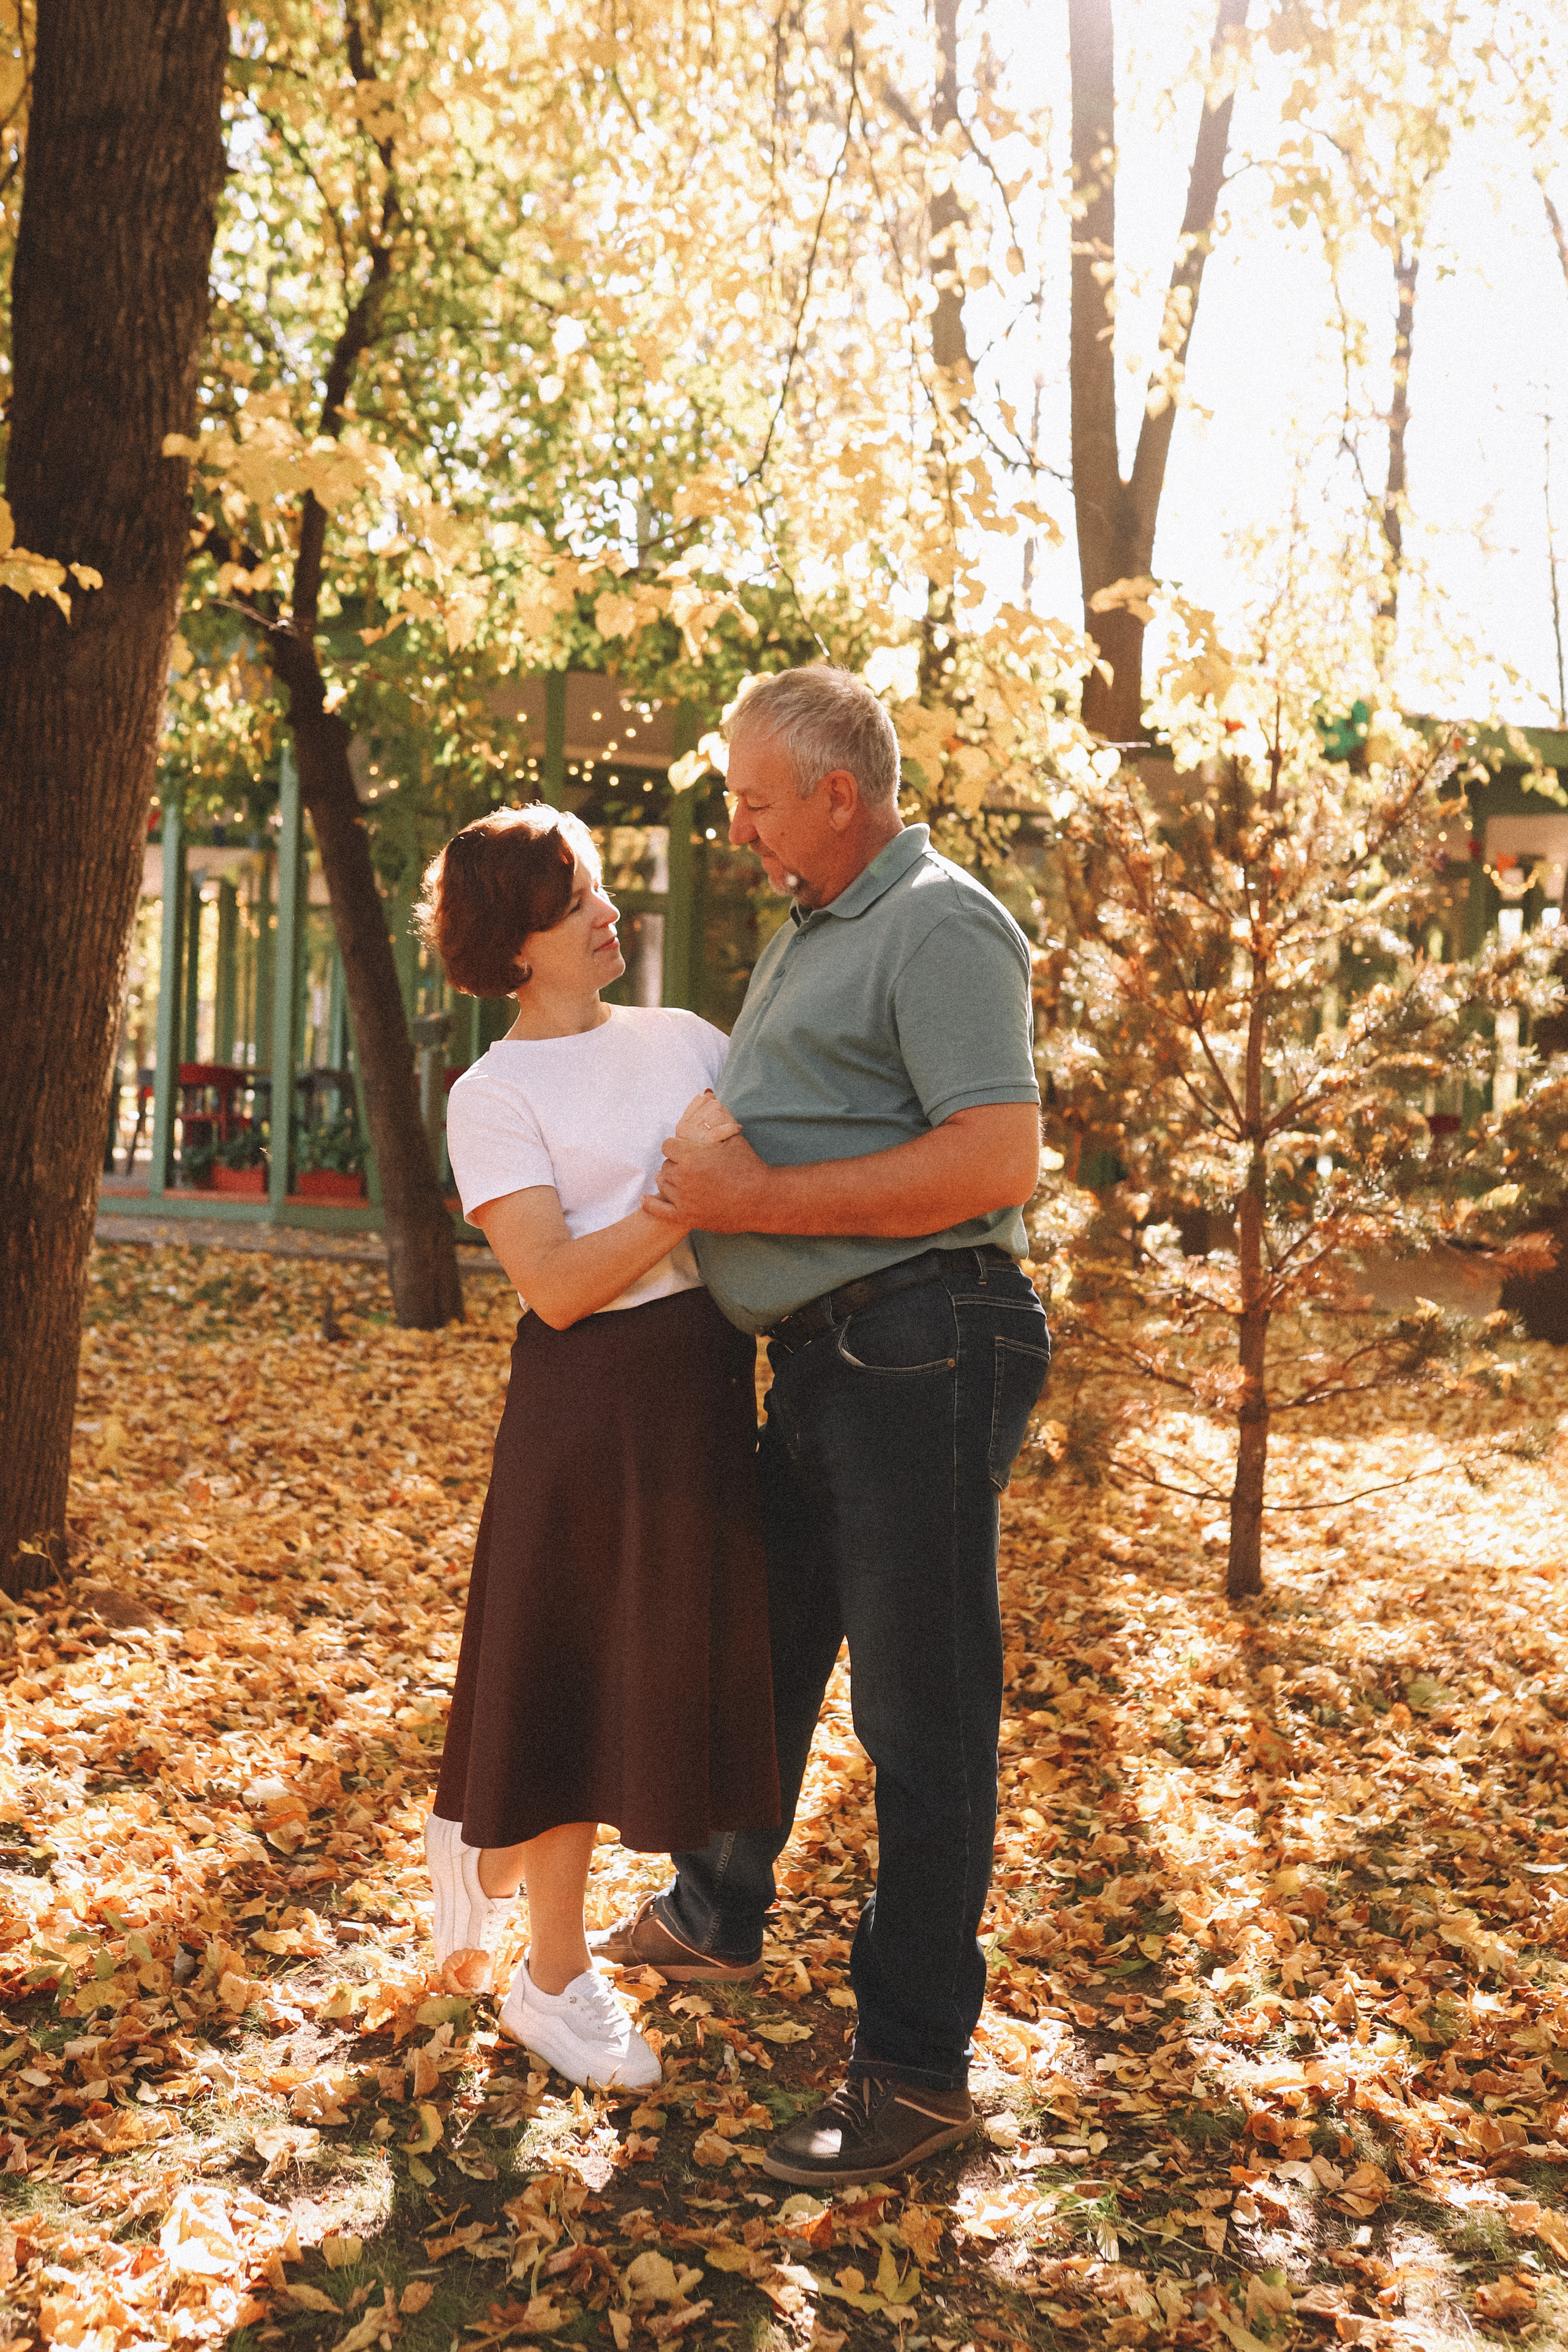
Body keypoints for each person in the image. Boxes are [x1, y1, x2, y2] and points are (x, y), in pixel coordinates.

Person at [590, 665, 1049, 2184]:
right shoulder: (813, 931)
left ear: (837, 795)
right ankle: (718, 1909)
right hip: (828, 1356)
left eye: (754, 797)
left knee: (919, 1721)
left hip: (920, 1343)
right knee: (761, 1651)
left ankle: (914, 2073)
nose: (738, 824)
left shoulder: (937, 922)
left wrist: (754, 1206)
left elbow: (996, 1155)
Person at [417, 804, 779, 2092]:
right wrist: (676, 1196)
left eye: (600, 890)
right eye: (575, 899)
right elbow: (557, 1284)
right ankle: (554, 1981)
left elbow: (772, 1161)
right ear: (516, 942)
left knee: (662, 1670)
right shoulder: (492, 1093)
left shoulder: (683, 1038)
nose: (606, 912)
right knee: (570, 1684)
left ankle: (487, 1839)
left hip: (699, 1392)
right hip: (583, 1406)